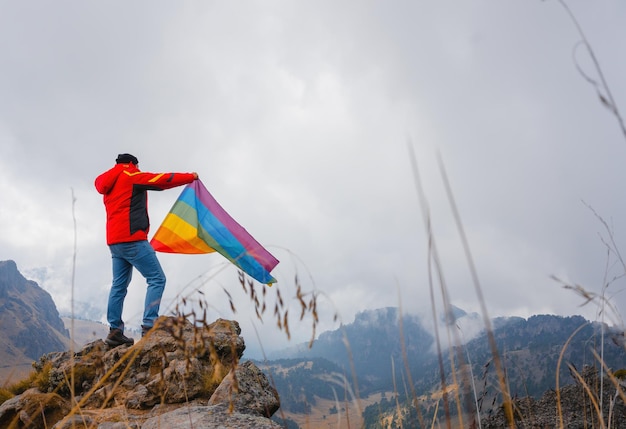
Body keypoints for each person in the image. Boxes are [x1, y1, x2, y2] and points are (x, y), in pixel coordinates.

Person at [95, 153, 198, 347]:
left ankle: (115, 332)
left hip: (114, 242)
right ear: (133, 163)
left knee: (118, 286)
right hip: (133, 239)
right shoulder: (131, 175)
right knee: (157, 279)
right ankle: (149, 325)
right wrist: (189, 177)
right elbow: (162, 180)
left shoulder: (108, 180)